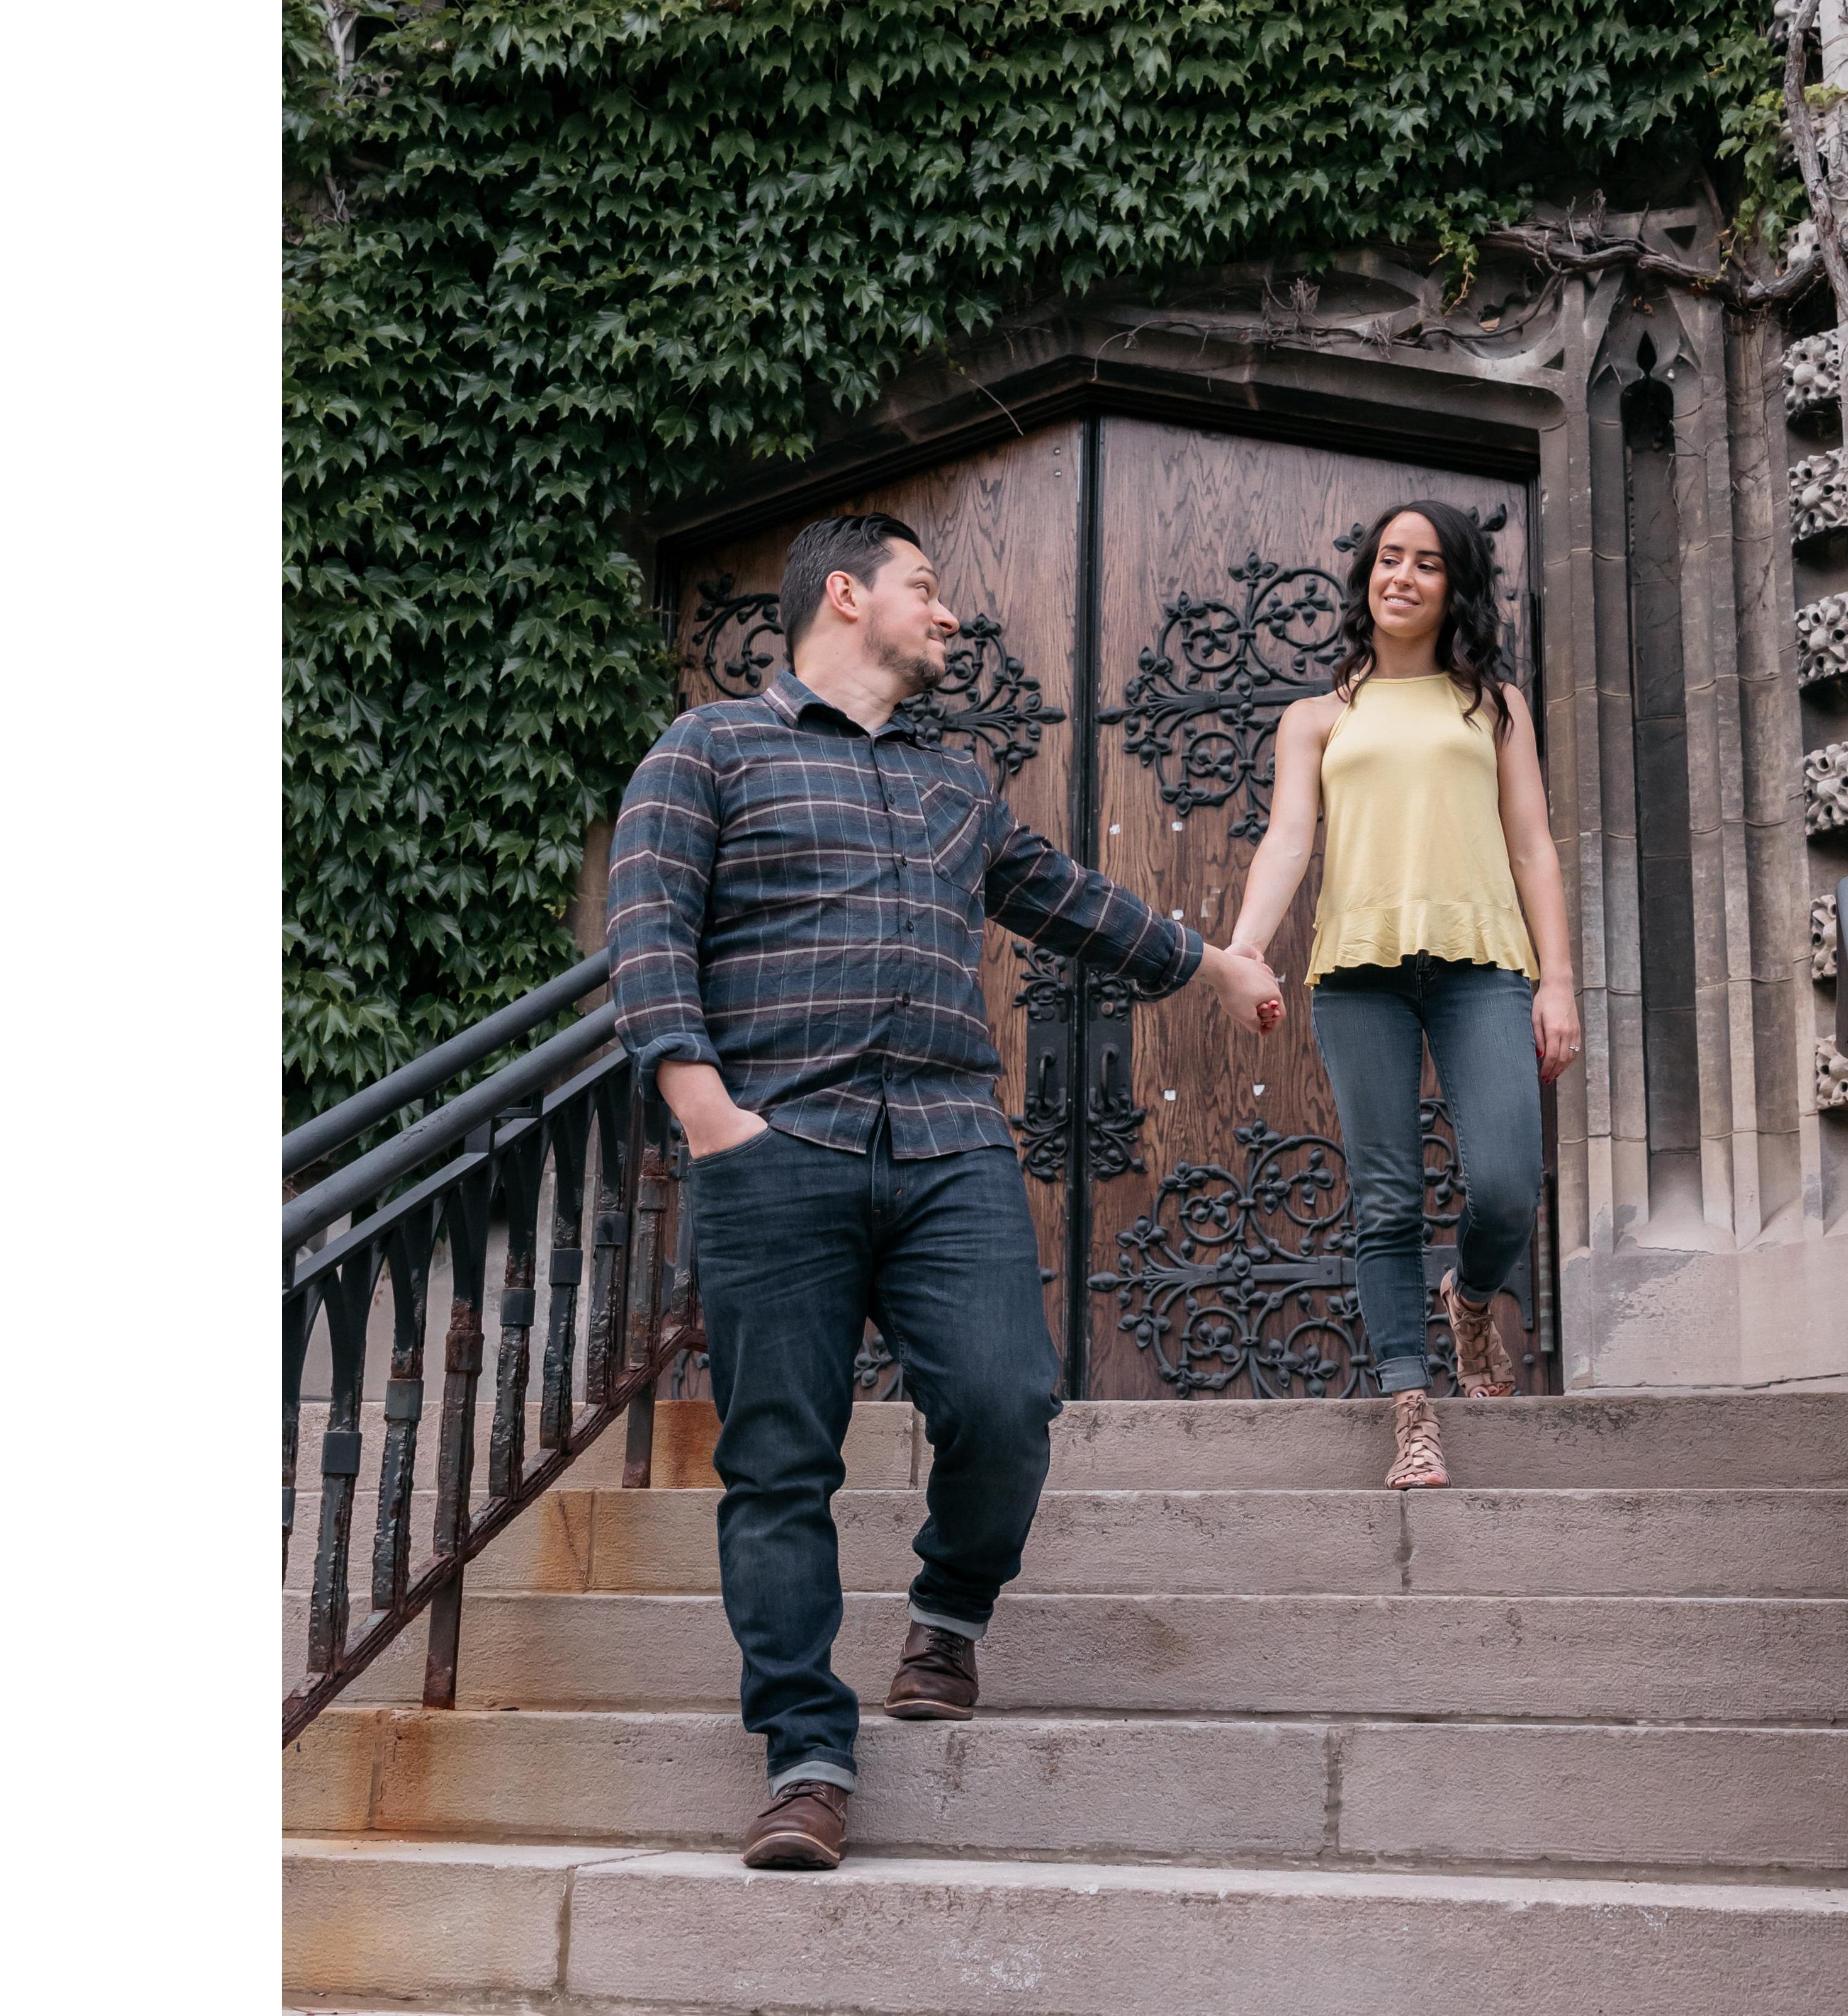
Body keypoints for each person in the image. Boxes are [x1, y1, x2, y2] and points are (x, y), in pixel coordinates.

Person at [608, 512, 1285, 1873]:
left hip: (946, 1144)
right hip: (775, 1147)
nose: (953, 616)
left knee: (1005, 1399)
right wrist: (712, 1119)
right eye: (929, 589)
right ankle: (805, 1759)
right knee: (778, 1463)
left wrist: (1210, 960)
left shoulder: (953, 784)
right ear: (846, 596)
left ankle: (951, 1613)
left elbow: (1063, 898)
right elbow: (647, 937)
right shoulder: (709, 751)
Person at [1222, 502, 1581, 1491]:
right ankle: (1412, 1411)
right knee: (1383, 1200)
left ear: (1451, 586)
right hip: (1359, 975)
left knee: (1508, 1182)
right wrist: (1247, 949)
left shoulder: (1495, 708)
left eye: (1427, 564)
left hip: (1481, 965)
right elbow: (1290, 839)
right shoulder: (1318, 717)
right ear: (1367, 577)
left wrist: (1559, 981)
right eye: (1389, 559)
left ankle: (1471, 1295)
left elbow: (1532, 847)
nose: (1403, 577)